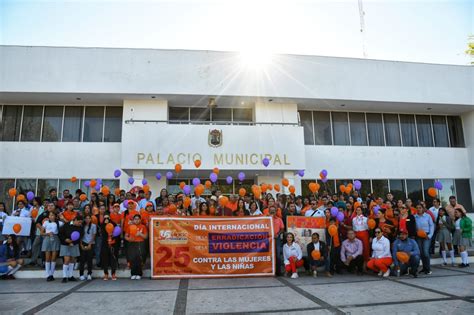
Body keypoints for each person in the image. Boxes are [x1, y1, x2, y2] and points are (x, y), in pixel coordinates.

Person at [59, 215, 84, 282]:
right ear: (75, 220)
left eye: (81, 222)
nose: (80, 224)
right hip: (65, 244)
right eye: (79, 222)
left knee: (72, 260)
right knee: (66, 260)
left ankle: (70, 276)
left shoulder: (80, 227)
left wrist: (73, 242)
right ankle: (64, 276)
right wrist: (65, 240)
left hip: (74, 244)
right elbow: (60, 234)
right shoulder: (66, 225)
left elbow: (80, 235)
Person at [41, 211, 63, 281]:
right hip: (47, 239)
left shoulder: (59, 223)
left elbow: (67, 224)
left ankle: (51, 274)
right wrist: (47, 234)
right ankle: (48, 274)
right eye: (50, 215)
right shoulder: (45, 222)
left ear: (55, 216)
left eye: (52, 215)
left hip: (55, 238)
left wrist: (62, 218)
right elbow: (41, 233)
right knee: (47, 258)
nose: (51, 217)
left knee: (53, 258)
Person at [125, 214, 148, 280]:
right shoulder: (130, 227)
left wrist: (140, 234)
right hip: (132, 244)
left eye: (138, 219)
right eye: (135, 219)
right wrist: (129, 239)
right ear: (133, 220)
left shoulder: (143, 227)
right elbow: (126, 236)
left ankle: (139, 273)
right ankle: (133, 273)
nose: (136, 220)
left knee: (139, 259)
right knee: (132, 259)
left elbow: (146, 237)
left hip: (140, 243)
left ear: (140, 220)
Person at [414, 204, 434, 275]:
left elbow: (432, 225)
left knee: (425, 252)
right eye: (417, 208)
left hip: (427, 235)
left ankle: (428, 269)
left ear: (423, 208)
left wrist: (430, 235)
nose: (418, 209)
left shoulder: (427, 216)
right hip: (418, 236)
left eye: (420, 208)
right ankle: (424, 268)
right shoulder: (414, 217)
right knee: (421, 253)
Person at [101, 215, 120, 280]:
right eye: (105, 218)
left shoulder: (114, 224)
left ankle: (113, 274)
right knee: (105, 259)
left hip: (113, 245)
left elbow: (117, 233)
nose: (106, 219)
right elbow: (102, 234)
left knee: (113, 259)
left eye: (108, 218)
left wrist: (113, 238)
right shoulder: (102, 225)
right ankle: (106, 274)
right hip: (105, 245)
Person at [79, 214, 96, 281]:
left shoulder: (93, 226)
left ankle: (89, 274)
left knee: (89, 259)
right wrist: (81, 245)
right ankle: (81, 274)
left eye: (89, 218)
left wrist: (90, 244)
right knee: (82, 259)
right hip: (83, 243)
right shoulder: (81, 226)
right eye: (86, 218)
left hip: (90, 243)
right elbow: (79, 236)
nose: (87, 219)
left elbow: (94, 235)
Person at [270, 206, 284, 276]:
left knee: (278, 255)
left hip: (277, 239)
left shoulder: (279, 219)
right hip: (268, 239)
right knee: (269, 255)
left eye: (274, 211)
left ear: (276, 212)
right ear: (269, 211)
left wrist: (278, 234)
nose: (272, 212)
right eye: (271, 211)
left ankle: (278, 271)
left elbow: (282, 229)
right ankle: (270, 271)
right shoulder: (266, 219)